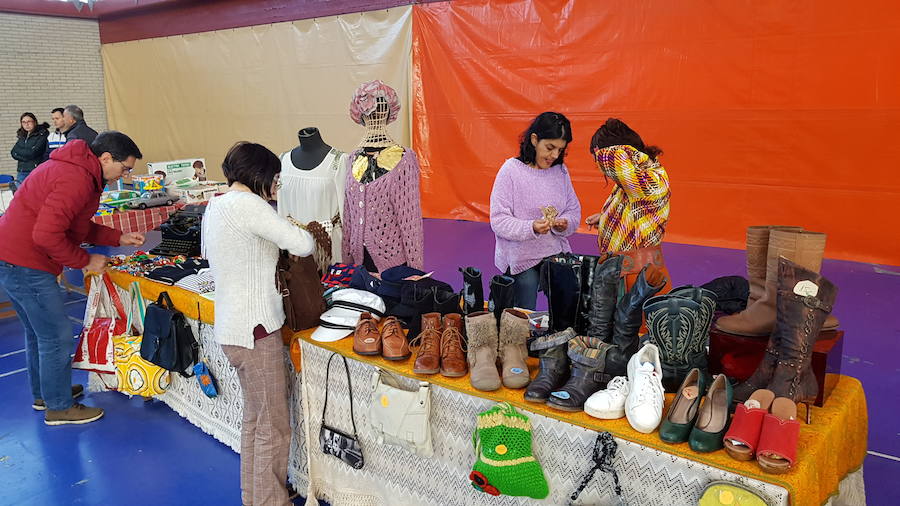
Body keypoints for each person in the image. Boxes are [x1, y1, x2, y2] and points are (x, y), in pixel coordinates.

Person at [0, 132, 146, 425]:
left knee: (39, 333)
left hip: (12, 257)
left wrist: (118, 236)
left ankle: (47, 394)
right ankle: (58, 407)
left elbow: (77, 225)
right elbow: (46, 236)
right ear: (106, 159)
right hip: (26, 263)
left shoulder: (82, 172)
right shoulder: (76, 178)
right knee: (56, 336)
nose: (125, 175)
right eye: (125, 168)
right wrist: (86, 260)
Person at [202, 142, 314, 506]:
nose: (276, 187)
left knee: (255, 419)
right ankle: (270, 501)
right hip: (257, 329)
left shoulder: (216, 205)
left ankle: (256, 495)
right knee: (273, 425)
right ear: (259, 175)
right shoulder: (250, 205)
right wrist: (287, 222)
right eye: (275, 180)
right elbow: (303, 244)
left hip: (232, 329)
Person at [489, 112, 581, 309]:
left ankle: (559, 334)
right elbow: (498, 220)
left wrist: (564, 223)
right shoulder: (511, 170)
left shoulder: (561, 172)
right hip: (520, 256)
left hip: (555, 251)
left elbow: (573, 212)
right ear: (534, 139)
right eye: (550, 148)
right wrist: (531, 227)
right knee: (526, 291)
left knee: (569, 296)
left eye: (560, 150)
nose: (555, 156)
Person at [585, 118, 671, 291]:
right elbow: (636, 215)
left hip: (639, 280)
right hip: (625, 276)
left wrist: (600, 150)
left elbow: (614, 159)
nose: (598, 165)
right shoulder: (635, 182)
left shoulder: (651, 180)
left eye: (597, 158)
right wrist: (605, 218)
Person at [10, 113, 49, 185]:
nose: (26, 124)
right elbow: (13, 152)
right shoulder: (22, 135)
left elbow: (33, 153)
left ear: (34, 122)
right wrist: (27, 157)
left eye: (29, 121)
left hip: (35, 170)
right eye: (23, 122)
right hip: (21, 171)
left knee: (34, 193)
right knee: (21, 194)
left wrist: (22, 154)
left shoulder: (41, 134)